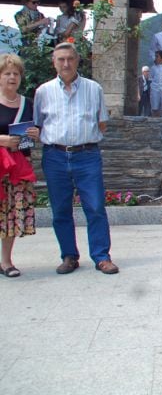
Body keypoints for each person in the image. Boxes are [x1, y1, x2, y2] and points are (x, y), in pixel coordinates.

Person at [33, 42, 118, 275]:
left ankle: (101, 256)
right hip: (55, 156)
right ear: (54, 62)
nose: (66, 64)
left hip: (87, 154)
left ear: (78, 60)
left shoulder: (93, 89)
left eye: (70, 58)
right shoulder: (43, 92)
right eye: (61, 59)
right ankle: (69, 256)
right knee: (60, 209)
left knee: (96, 207)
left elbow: (102, 123)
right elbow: (37, 127)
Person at [0, 54, 39, 278]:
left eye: (16, 73)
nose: (12, 77)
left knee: (11, 213)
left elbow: (33, 132)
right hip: (0, 163)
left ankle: (6, 261)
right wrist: (2, 140)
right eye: (7, 73)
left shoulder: (27, 103)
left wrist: (34, 134)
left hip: (19, 164)